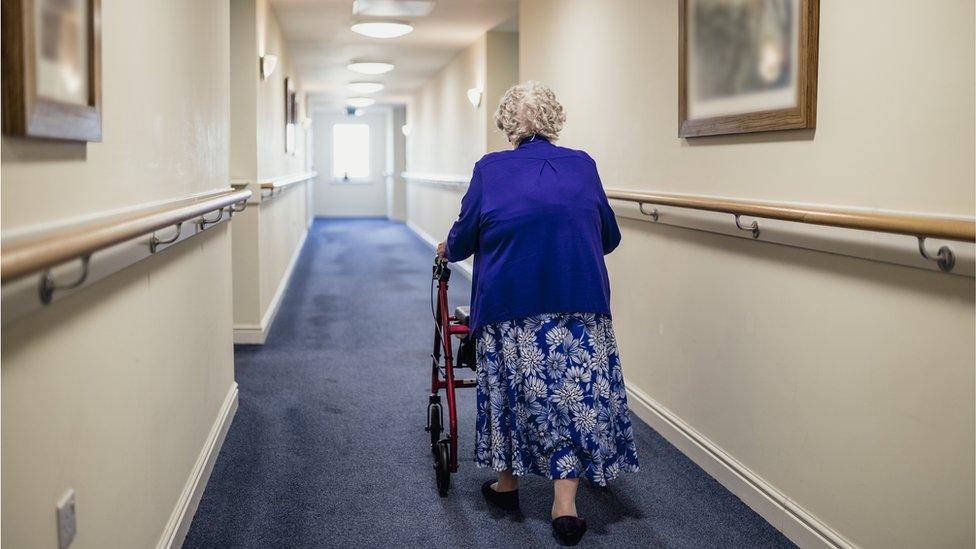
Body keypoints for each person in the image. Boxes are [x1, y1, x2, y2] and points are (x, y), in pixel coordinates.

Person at [437, 81, 639, 546]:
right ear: (554, 120)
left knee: (513, 388)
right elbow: (609, 236)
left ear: (509, 125)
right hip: (579, 301)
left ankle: (507, 485)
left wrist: (451, 246)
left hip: (512, 305)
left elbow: (465, 238)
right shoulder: (583, 165)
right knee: (573, 396)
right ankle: (565, 505)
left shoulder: (490, 169)